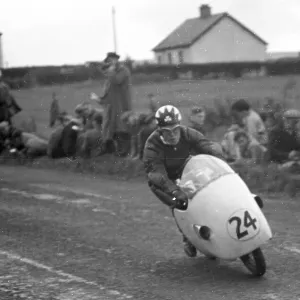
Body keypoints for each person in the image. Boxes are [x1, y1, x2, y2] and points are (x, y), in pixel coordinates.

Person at [143, 105, 224, 257]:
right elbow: (156, 173)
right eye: (167, 132)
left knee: (210, 187)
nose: (172, 135)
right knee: (180, 202)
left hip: (186, 169)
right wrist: (174, 190)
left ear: (180, 126)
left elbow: (205, 146)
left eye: (175, 129)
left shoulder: (188, 133)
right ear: (159, 130)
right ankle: (187, 237)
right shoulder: (152, 145)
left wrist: (218, 158)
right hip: (163, 181)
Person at [95, 52, 132, 155]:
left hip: (121, 103)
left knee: (122, 126)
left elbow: (117, 81)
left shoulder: (123, 71)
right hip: (111, 105)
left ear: (116, 59)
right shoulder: (111, 73)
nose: (109, 63)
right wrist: (100, 99)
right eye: (108, 61)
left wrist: (110, 71)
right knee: (109, 126)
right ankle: (109, 149)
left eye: (111, 60)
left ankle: (124, 150)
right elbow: (107, 89)